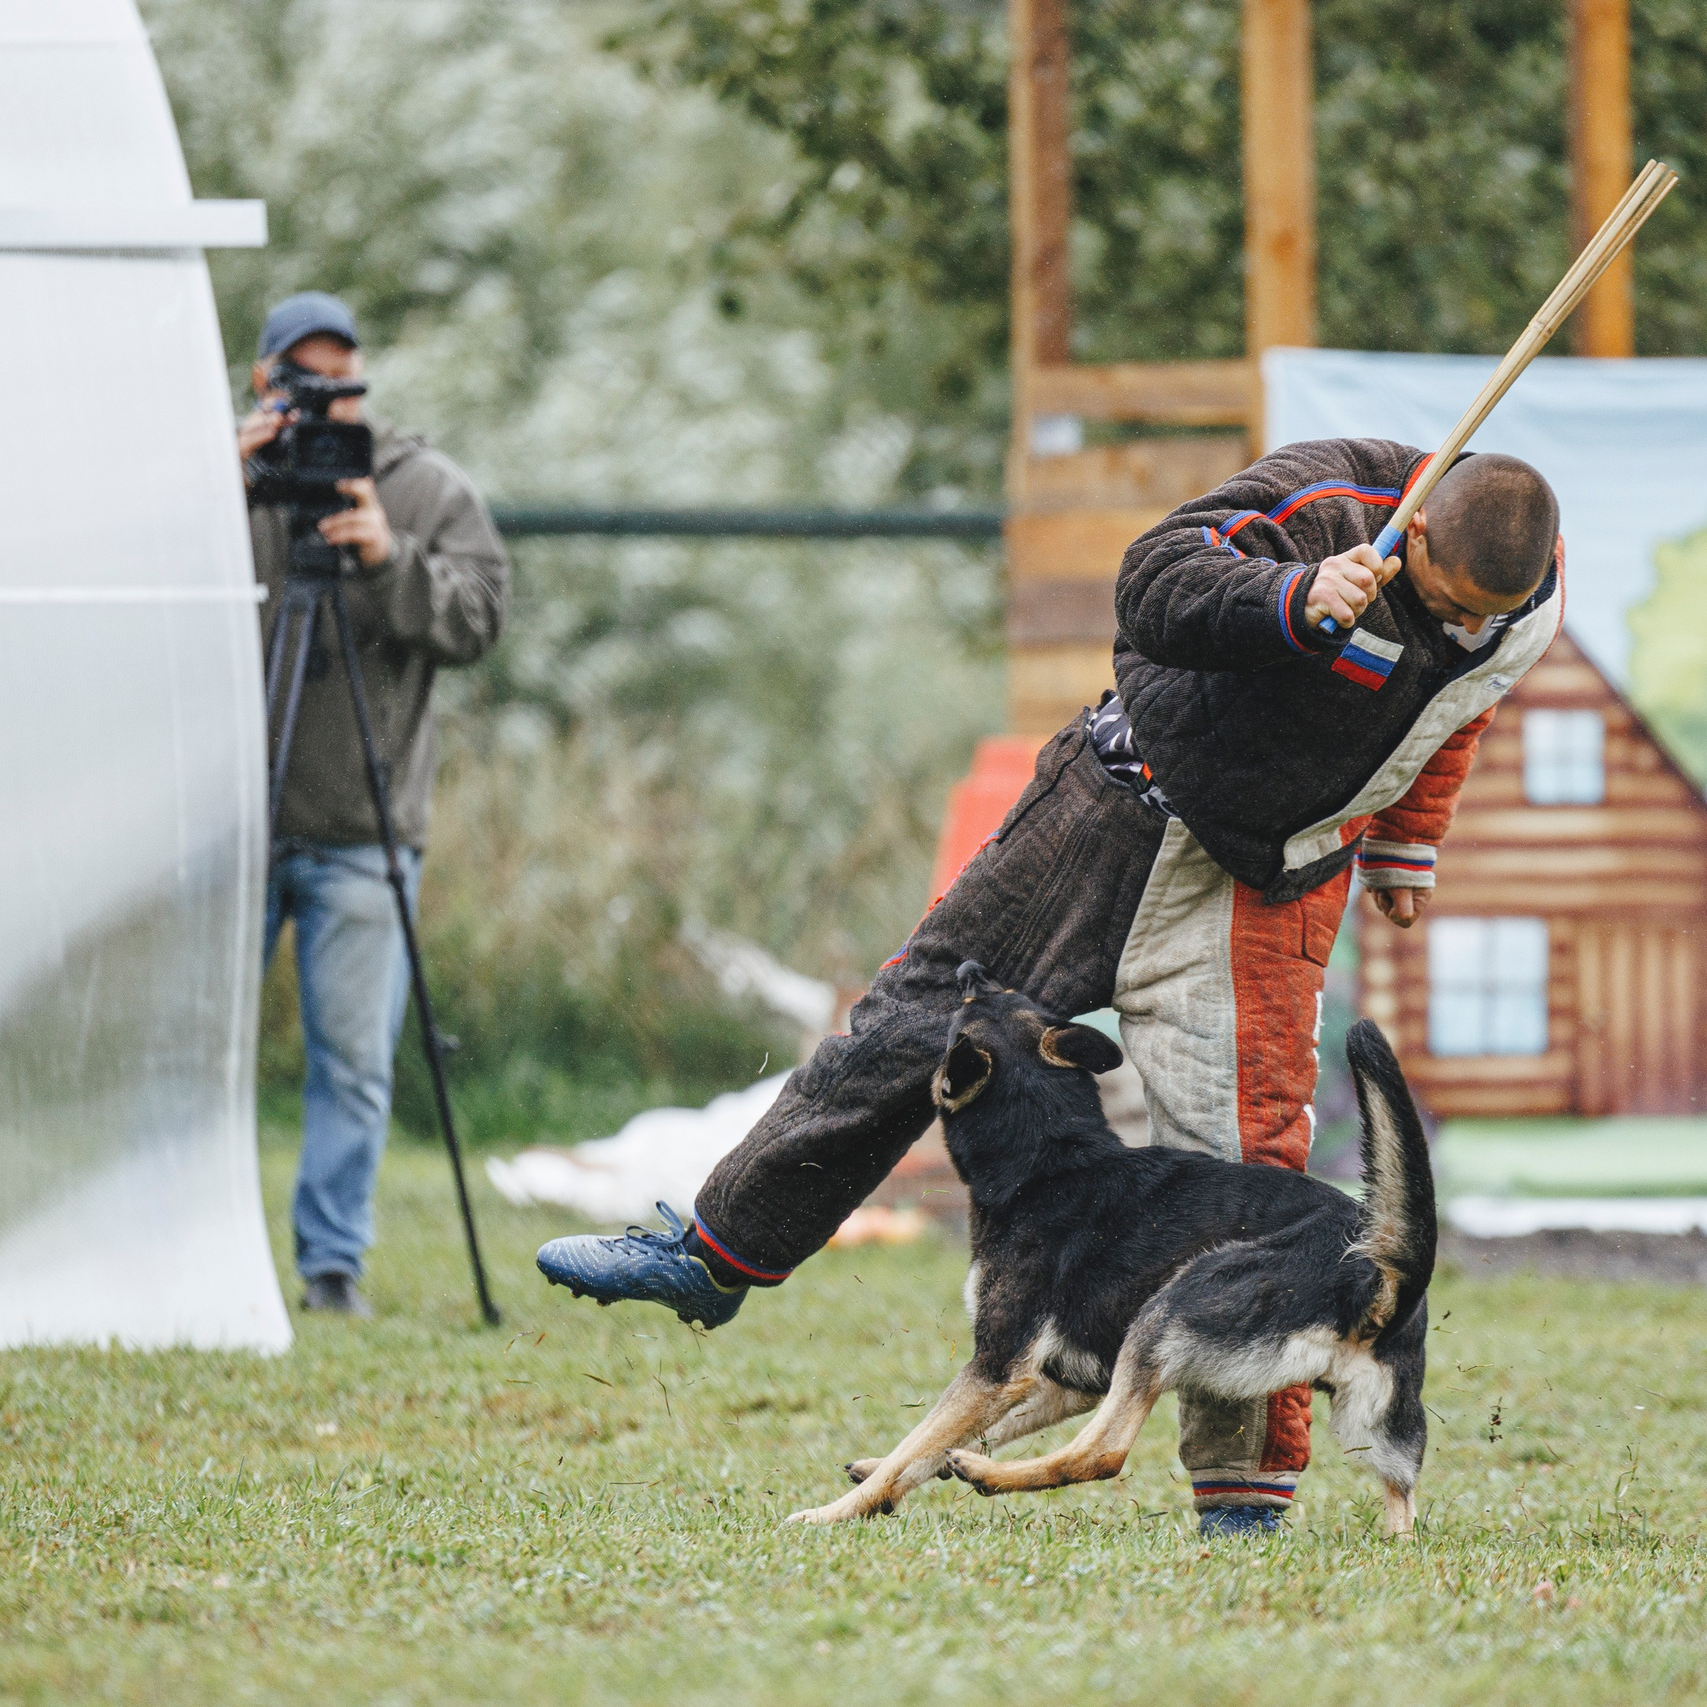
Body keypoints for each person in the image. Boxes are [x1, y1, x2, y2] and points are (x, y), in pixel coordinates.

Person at [540, 440, 1561, 1533]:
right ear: (1408, 532)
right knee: (908, 1029)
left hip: (1258, 881)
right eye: (1445, 605)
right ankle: (718, 1252)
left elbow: (1449, 720)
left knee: (1245, 1174)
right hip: (1109, 807)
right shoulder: (1322, 498)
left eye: (1481, 620)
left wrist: (1409, 845)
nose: (1462, 632)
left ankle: (1242, 1500)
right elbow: (1152, 583)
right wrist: (1293, 596)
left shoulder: (1514, 610)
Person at [244, 291, 511, 1319]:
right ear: (265, 380)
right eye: (300, 378)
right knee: (198, 1052)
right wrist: (226, 474)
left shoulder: (420, 485)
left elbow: (482, 612)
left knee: (352, 1062)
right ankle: (189, 1242)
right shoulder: (223, 477)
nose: (321, 398)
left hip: (364, 826)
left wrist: (387, 555)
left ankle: (330, 1270)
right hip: (235, 822)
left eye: (338, 379)